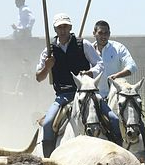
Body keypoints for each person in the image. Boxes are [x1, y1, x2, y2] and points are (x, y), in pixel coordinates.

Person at [35, 13, 107, 156]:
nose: (63, 30)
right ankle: (49, 163)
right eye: (60, 27)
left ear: (70, 28)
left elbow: (100, 64)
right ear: (55, 30)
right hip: (63, 95)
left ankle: (117, 155)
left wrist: (90, 72)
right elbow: (38, 77)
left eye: (65, 27)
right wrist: (47, 67)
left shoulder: (83, 44)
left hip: (88, 92)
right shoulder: (48, 51)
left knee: (113, 119)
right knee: (48, 123)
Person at [92, 19, 145, 146]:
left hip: (116, 95)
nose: (104, 36)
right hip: (95, 96)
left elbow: (132, 66)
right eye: (100, 33)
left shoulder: (118, 48)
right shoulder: (88, 50)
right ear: (94, 33)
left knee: (138, 122)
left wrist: (117, 75)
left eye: (106, 33)